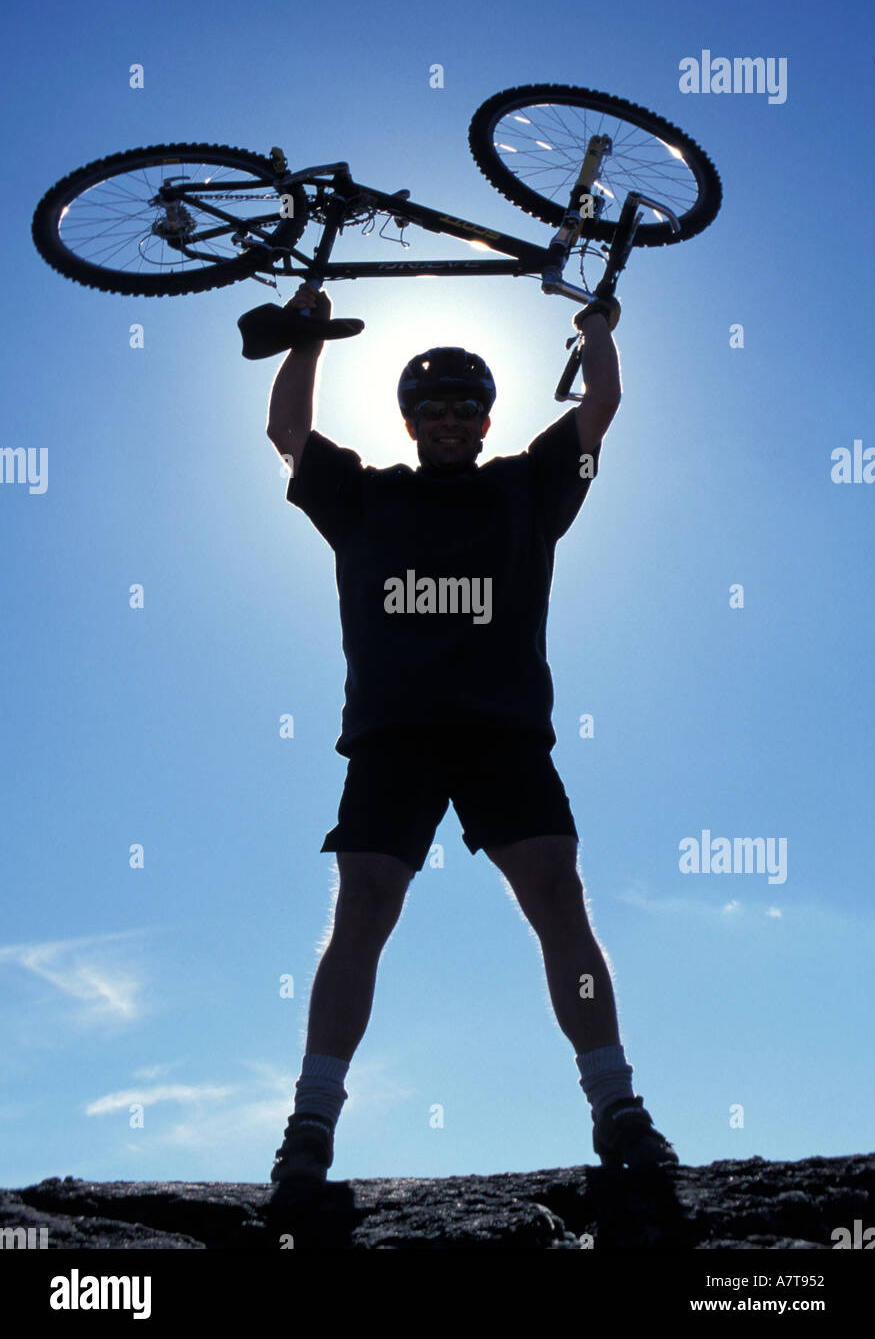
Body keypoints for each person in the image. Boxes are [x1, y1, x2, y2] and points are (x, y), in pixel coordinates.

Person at [265, 283, 678, 1199]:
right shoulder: (364, 497)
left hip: (501, 734)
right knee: (363, 910)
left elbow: (599, 405)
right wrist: (306, 340)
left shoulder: (527, 489)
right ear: (409, 421)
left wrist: (596, 325)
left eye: (465, 407)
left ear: (486, 419)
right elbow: (289, 434)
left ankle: (616, 1105)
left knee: (557, 901)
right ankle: (310, 1125)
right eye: (430, 409)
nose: (448, 420)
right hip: (392, 736)